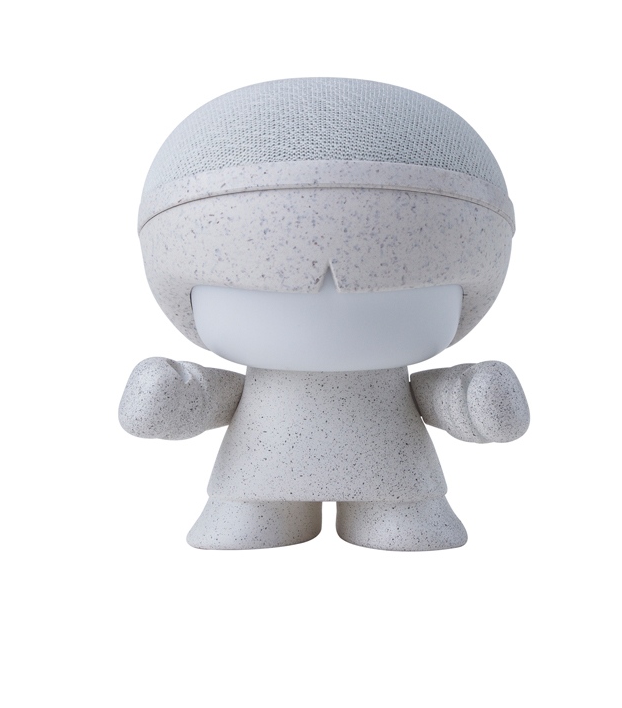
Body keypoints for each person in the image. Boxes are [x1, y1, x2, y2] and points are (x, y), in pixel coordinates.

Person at [119, 78, 529, 550]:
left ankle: (394, 515)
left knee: (403, 525)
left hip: (397, 481)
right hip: (255, 483)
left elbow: (442, 398)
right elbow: (207, 398)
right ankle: (257, 514)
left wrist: (472, 401)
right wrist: (175, 399)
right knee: (248, 522)